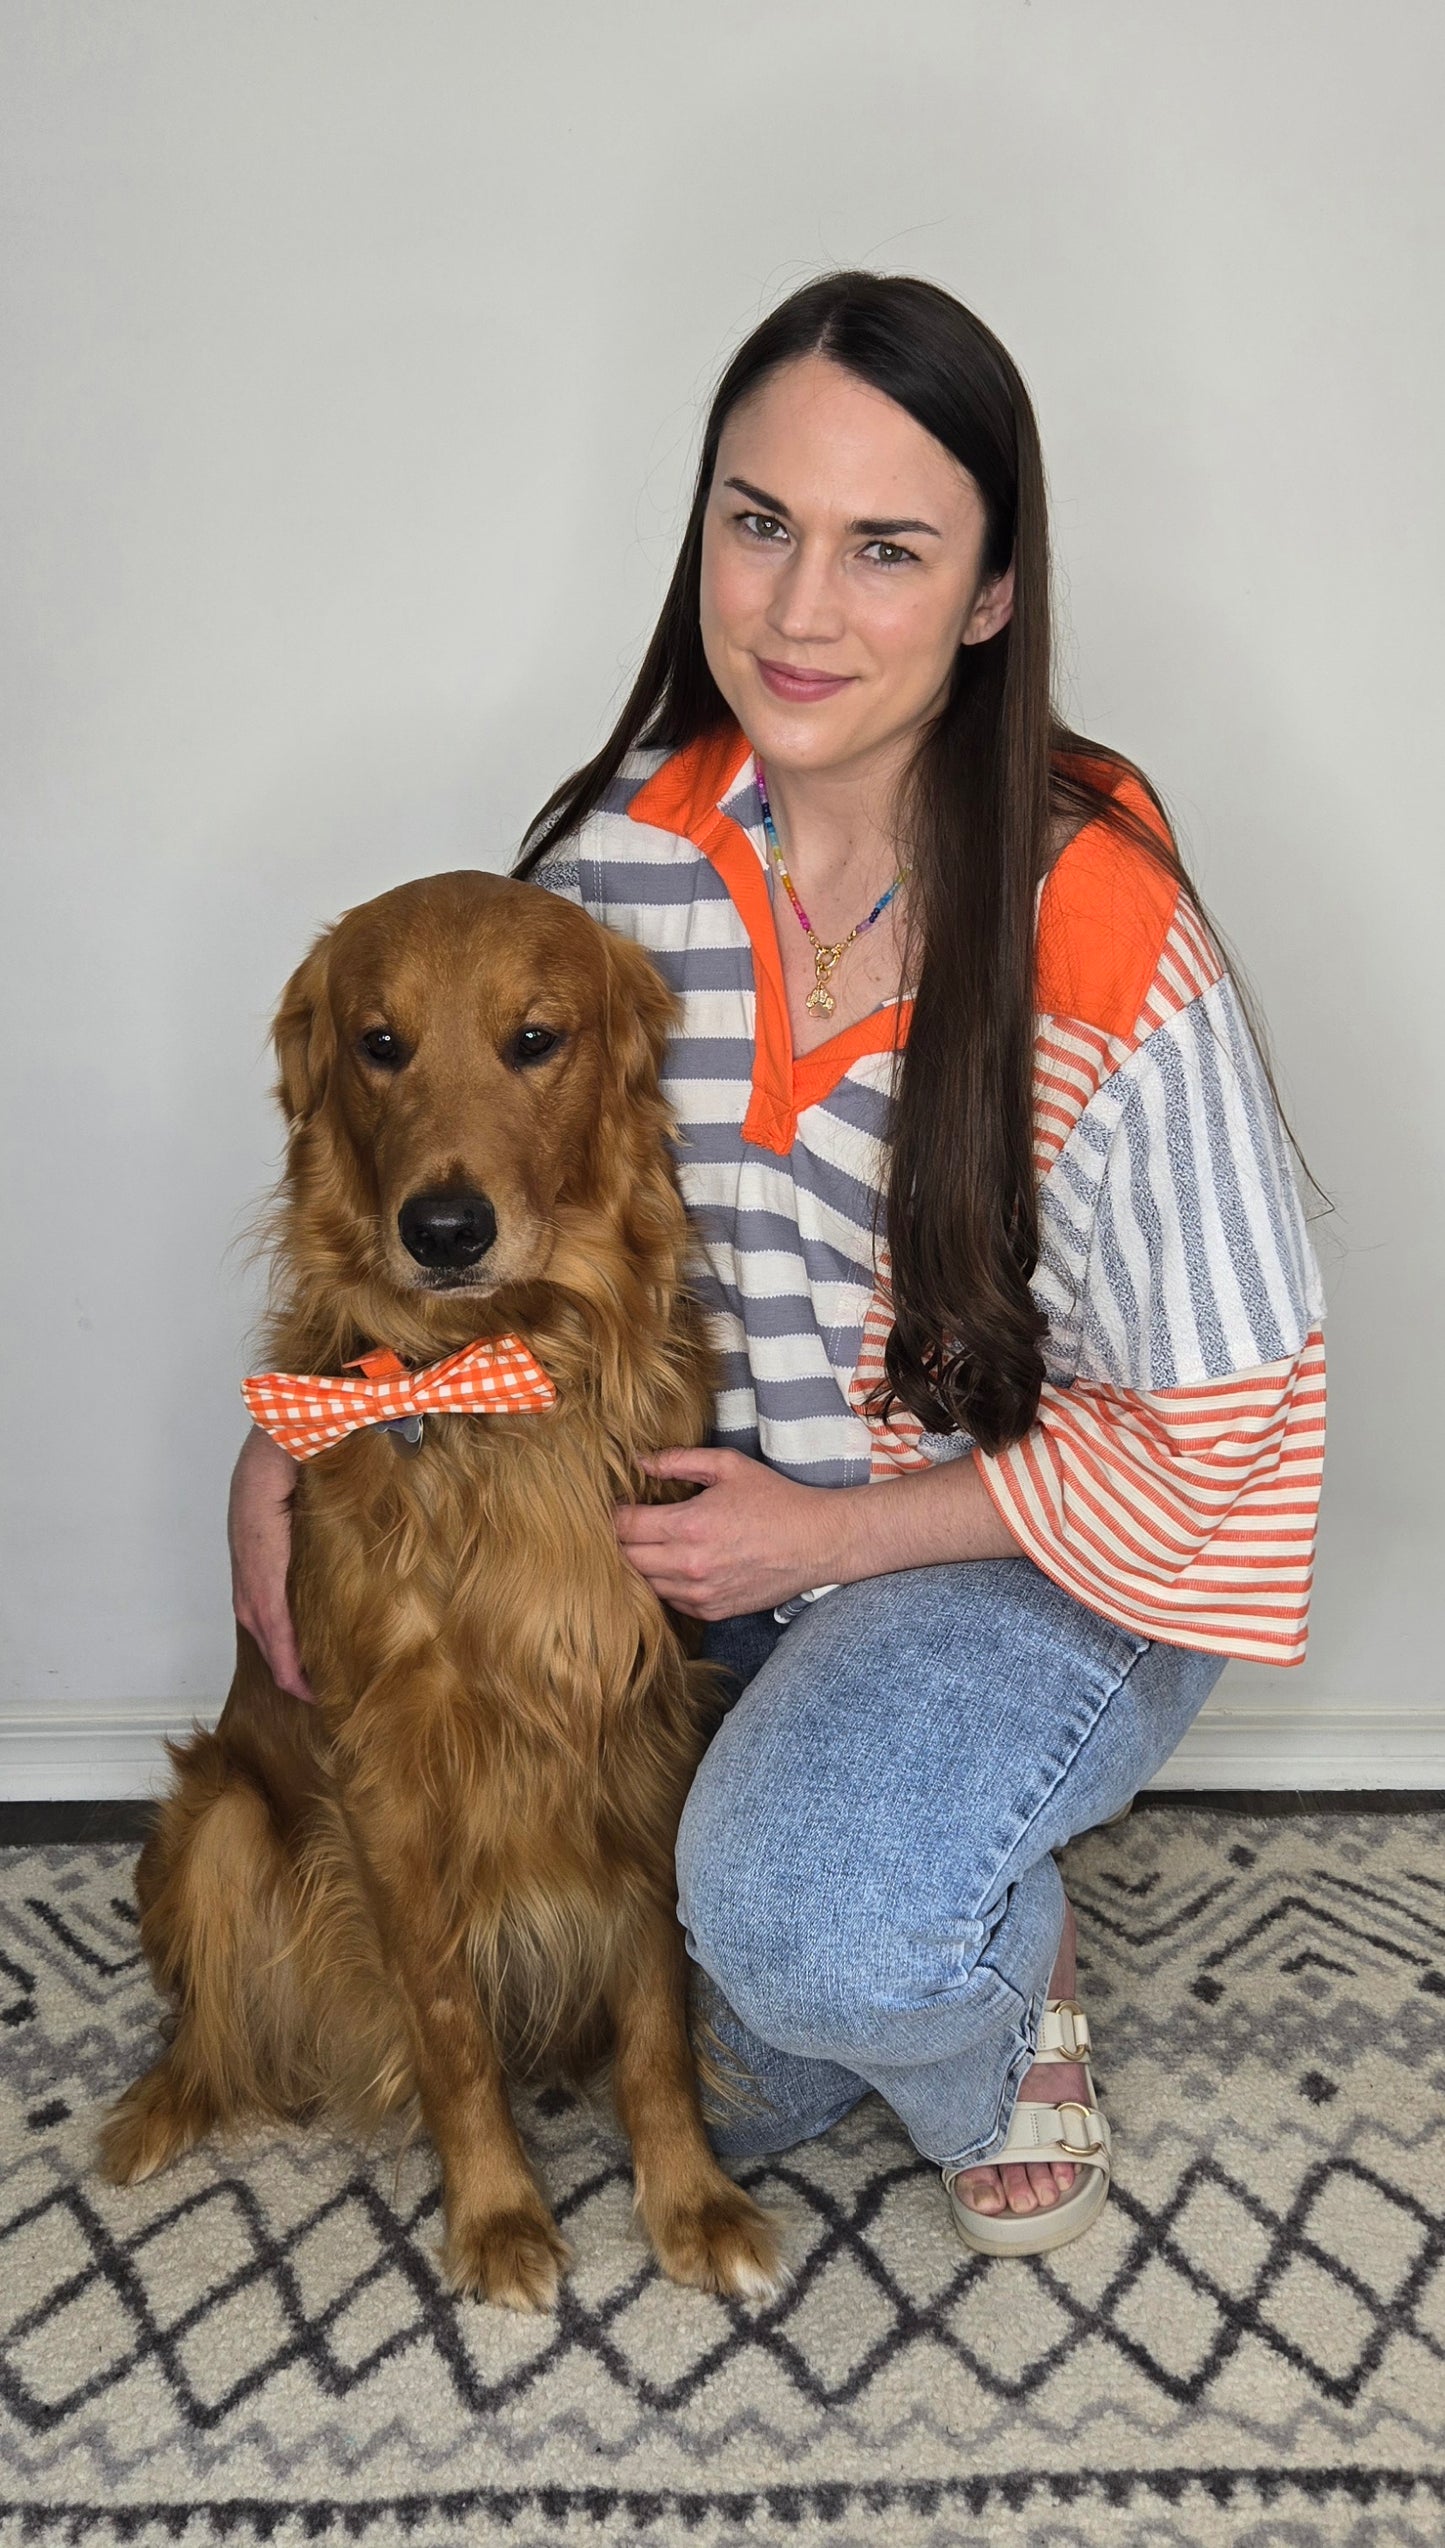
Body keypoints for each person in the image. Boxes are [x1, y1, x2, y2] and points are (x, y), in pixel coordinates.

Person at [230, 272, 1325, 2256]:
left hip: (1027, 1559)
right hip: (711, 1579)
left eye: (886, 547)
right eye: (761, 523)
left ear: (991, 594)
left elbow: (1224, 1438)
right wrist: (297, 1426)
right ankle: (879, 1840)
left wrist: (829, 1537)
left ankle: (1001, 1988)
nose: (801, 609)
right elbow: (455, 1196)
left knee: (818, 1944)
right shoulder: (615, 868)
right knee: (677, 2033)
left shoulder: (1100, 926)